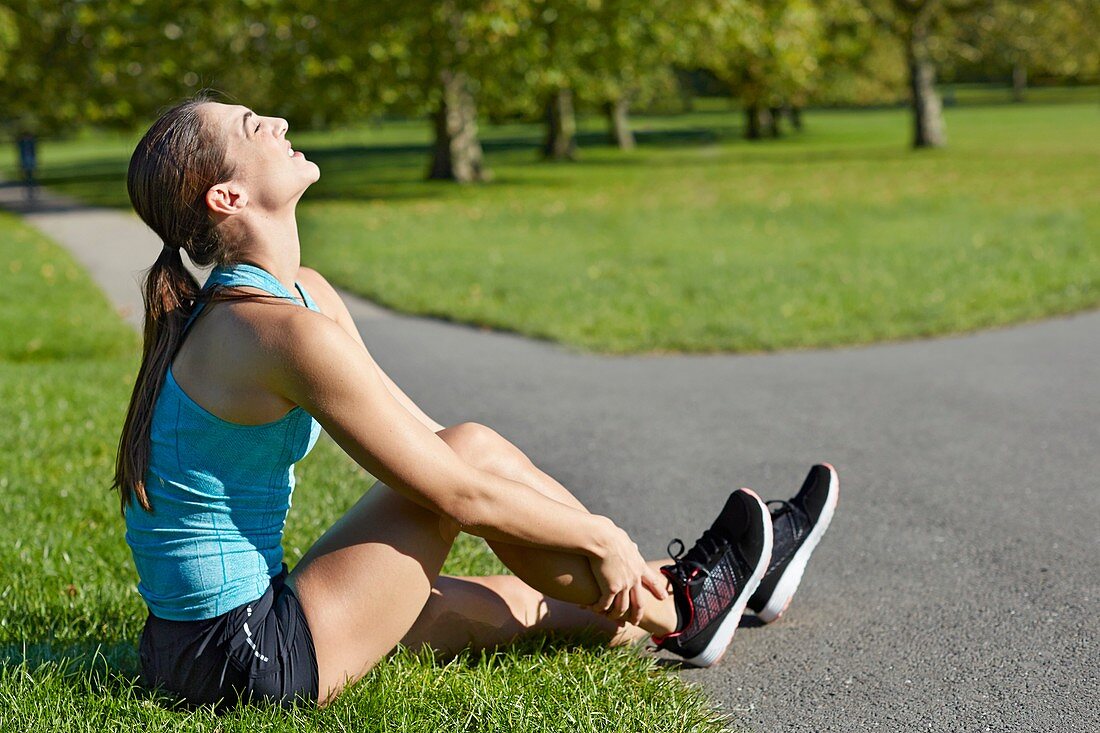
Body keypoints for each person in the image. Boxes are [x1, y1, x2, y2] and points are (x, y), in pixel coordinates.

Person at [113, 95, 839, 710]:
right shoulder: (269, 331)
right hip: (234, 657)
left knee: (531, 605)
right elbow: (453, 490)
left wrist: (599, 544)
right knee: (474, 465)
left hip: (219, 632)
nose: (273, 120)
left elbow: (425, 433)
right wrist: (598, 536)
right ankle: (687, 611)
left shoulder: (303, 296)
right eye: (249, 128)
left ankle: (709, 591)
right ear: (227, 197)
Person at [17, 131, 37, 200]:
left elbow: (34, 152)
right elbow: (20, 153)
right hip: (25, 161)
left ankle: (31, 190)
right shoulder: (22, 143)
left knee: (31, 176)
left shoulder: (31, 143)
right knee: (26, 176)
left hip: (31, 160)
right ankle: (27, 189)